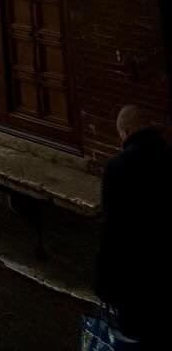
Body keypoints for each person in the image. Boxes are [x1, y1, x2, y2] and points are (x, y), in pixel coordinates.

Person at [95, 105, 172, 348]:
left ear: (125, 132)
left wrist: (104, 280)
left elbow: (113, 226)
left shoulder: (118, 167)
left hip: (134, 273)